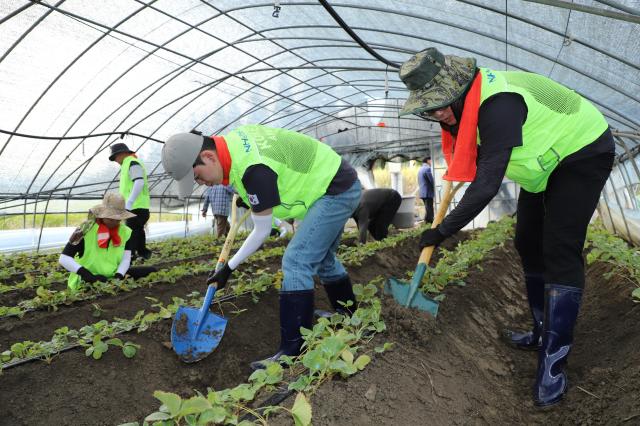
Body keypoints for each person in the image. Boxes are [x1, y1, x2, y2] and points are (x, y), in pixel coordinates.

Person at [399, 47, 614, 407]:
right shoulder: (465, 111)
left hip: (580, 151)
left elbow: (486, 185)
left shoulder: (499, 106)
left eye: (438, 104)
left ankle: (554, 364)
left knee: (560, 247)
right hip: (542, 167)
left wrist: (442, 231)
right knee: (527, 240)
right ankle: (540, 330)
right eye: (427, 109)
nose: (435, 114)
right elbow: (478, 166)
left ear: (459, 90)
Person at [161, 125, 360, 370]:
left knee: (296, 261)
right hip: (334, 179)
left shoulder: (252, 170)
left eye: (198, 178)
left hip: (334, 189)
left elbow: (262, 231)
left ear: (209, 157)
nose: (203, 184)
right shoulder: (234, 145)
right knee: (324, 258)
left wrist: (229, 268)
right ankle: (349, 318)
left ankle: (292, 352)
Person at [59, 192, 156, 292]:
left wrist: (118, 276)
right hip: (87, 278)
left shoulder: (125, 232)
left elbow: (125, 260)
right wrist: (87, 274)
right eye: (111, 219)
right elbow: (64, 258)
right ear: (102, 214)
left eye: (118, 220)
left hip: (111, 276)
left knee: (151, 271)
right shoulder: (85, 229)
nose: (115, 223)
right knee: (96, 286)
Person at [109, 143, 152, 260]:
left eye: (115, 157)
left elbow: (139, 182)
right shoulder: (126, 165)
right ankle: (142, 253)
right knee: (136, 230)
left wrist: (130, 202)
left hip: (136, 206)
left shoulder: (132, 163)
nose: (115, 160)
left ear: (122, 153)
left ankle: (131, 255)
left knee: (131, 231)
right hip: (135, 205)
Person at [418, 156, 435, 223]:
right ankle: (430, 222)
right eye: (431, 160)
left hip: (423, 192)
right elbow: (431, 180)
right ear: (428, 161)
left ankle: (427, 221)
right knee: (429, 208)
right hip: (427, 192)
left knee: (427, 208)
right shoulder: (427, 169)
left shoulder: (421, 169)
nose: (431, 162)